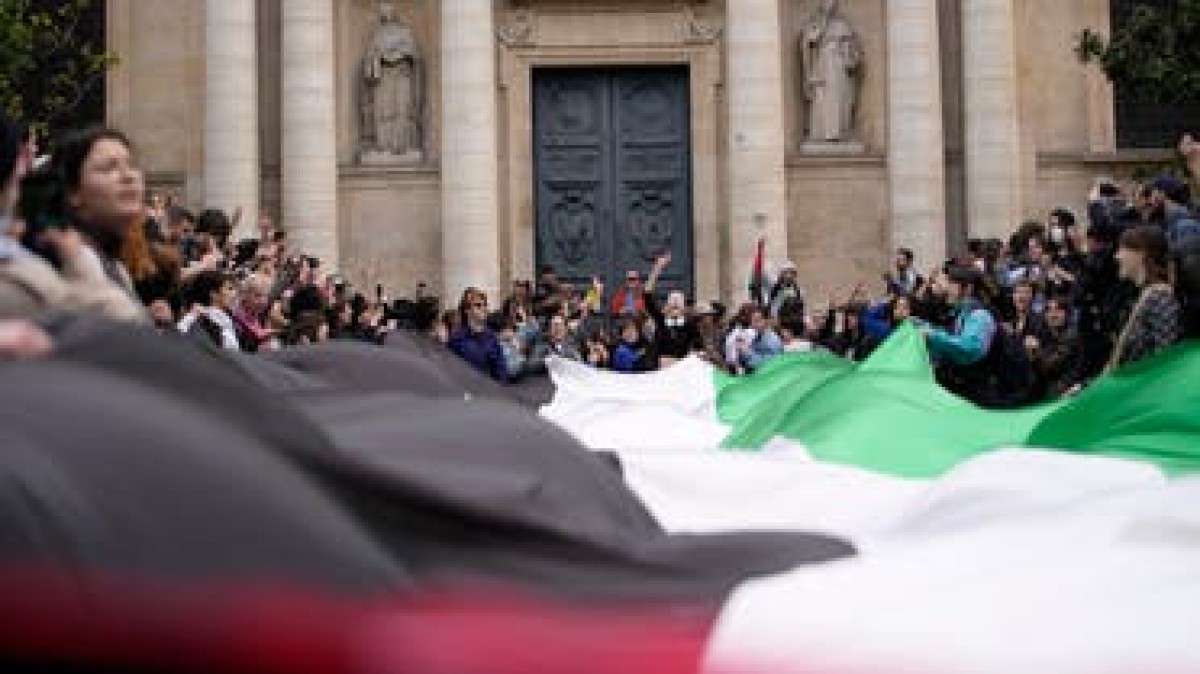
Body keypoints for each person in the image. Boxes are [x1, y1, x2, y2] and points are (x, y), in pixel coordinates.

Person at [0, 118, 145, 322]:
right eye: (108, 168)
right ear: (72, 191)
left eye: (130, 165)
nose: (129, 176)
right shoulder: (55, 265)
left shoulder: (114, 266)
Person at [1106, 225, 1181, 370]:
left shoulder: (1161, 297)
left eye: (1121, 249)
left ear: (1141, 253)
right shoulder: (1144, 293)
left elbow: (1164, 361)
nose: (1116, 256)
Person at [447, 287, 508, 382]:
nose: (483, 308)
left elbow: (501, 368)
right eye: (478, 305)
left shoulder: (492, 336)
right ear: (467, 310)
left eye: (485, 305)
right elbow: (451, 371)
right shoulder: (457, 339)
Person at [177, 270, 241, 351]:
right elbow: (178, 333)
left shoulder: (227, 318)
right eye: (230, 289)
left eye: (235, 289)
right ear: (213, 294)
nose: (235, 294)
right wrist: (192, 315)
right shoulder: (198, 314)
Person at [726, 304, 784, 375]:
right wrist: (740, 350)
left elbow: (768, 364)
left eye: (757, 321)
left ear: (767, 321)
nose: (753, 325)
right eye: (752, 321)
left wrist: (747, 352)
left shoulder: (773, 341)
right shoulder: (756, 337)